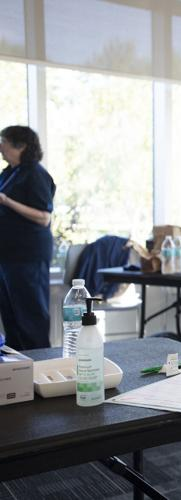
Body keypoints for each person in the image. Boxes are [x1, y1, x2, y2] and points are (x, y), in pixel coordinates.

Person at [0, 125, 56, 350]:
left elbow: (44, 218)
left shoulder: (35, 174)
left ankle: (40, 368)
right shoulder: (9, 172)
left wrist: (7, 201)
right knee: (12, 316)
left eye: (3, 141)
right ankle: (18, 372)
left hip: (27, 256)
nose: (0, 146)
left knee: (30, 315)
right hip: (7, 256)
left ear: (21, 146)